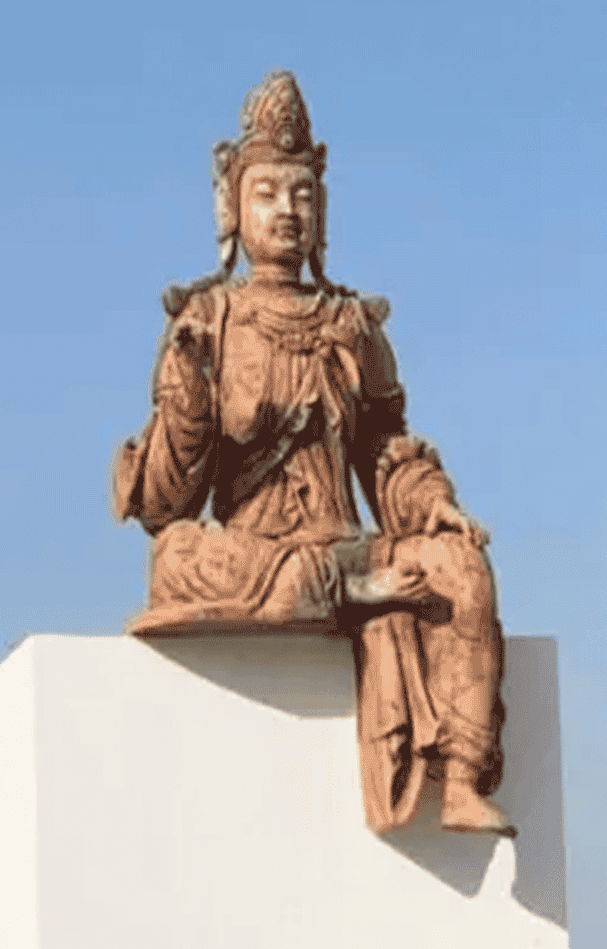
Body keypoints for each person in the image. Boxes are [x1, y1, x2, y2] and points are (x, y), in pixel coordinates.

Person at [113, 71, 512, 837]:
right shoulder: (209, 319)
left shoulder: (351, 323)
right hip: (253, 552)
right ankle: (342, 593)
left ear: (321, 208)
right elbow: (166, 505)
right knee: (177, 554)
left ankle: (460, 778)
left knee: (460, 565)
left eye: (301, 194)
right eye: (266, 193)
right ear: (231, 206)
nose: (286, 211)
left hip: (346, 544)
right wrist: (189, 398)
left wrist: (432, 503)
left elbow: (385, 447)